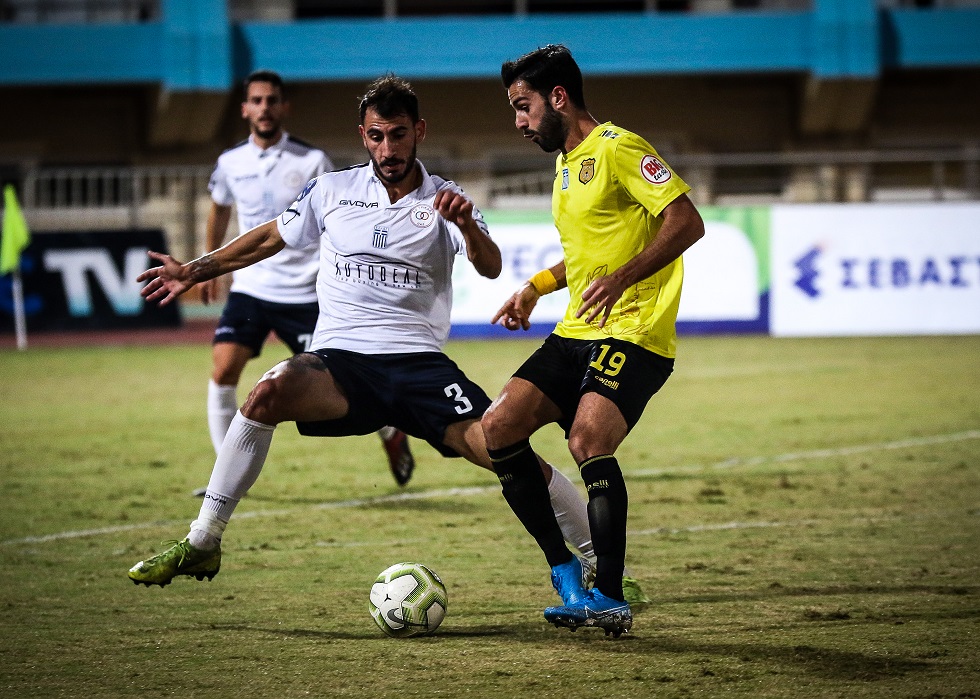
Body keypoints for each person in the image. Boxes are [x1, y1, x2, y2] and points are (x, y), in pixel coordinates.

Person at [127, 75, 605, 595]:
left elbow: (490, 266)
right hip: (342, 364)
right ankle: (203, 539)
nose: (388, 149)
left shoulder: (446, 197)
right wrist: (195, 269)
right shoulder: (332, 190)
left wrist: (467, 226)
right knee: (266, 393)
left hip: (419, 366)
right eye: (377, 136)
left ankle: (601, 563)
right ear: (363, 135)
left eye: (398, 135)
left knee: (505, 450)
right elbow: (268, 237)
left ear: (419, 131)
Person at [483, 45, 705, 637]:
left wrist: (624, 277)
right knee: (499, 426)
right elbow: (588, 259)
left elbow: (687, 220)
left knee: (587, 439)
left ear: (558, 97)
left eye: (523, 106)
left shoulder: (618, 147)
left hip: (635, 330)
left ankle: (609, 595)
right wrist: (535, 287)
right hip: (577, 330)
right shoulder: (564, 166)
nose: (518, 121)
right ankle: (564, 569)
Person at [199, 70, 415, 493]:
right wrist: (210, 265)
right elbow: (219, 209)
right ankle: (223, 476)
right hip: (250, 289)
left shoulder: (312, 160)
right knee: (223, 370)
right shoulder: (229, 163)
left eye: (271, 100)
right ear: (245, 109)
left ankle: (389, 428)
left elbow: (342, 210)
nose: (264, 108)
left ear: (284, 107)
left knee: (341, 381)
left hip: (303, 291)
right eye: (256, 100)